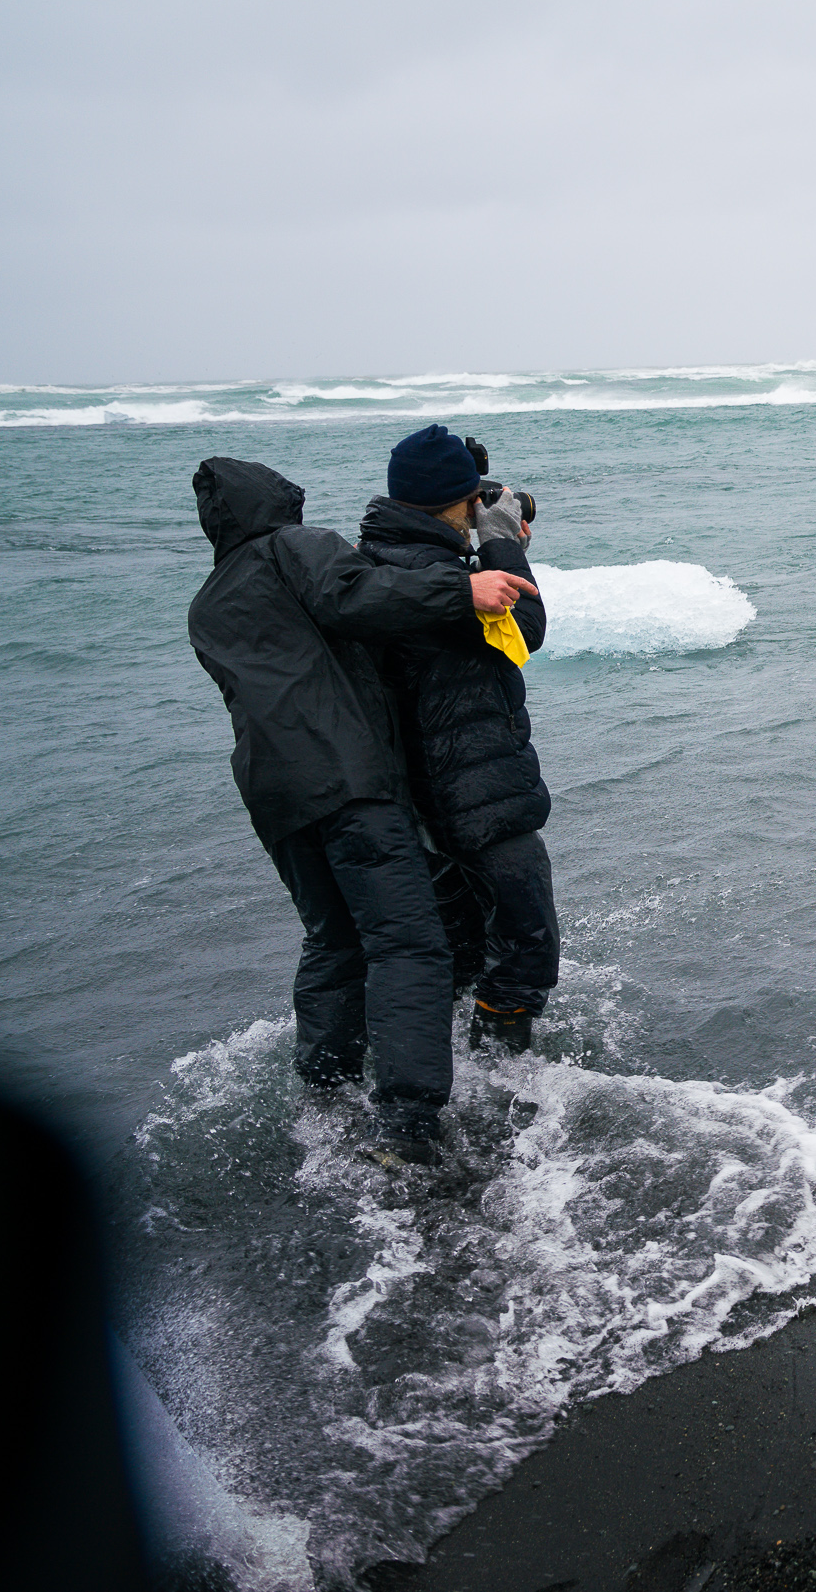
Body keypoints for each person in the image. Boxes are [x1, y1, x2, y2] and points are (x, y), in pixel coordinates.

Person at [187, 456, 536, 1165]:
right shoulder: (297, 546)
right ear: (274, 501)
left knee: (334, 940)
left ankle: (324, 1092)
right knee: (408, 943)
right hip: (349, 779)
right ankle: (406, 1126)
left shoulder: (208, 601)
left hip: (274, 794)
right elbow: (358, 597)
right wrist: (462, 588)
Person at [358, 425, 560, 1054]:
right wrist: (501, 542)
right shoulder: (446, 581)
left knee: (466, 935)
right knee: (527, 937)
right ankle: (504, 1069)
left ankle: (449, 1064)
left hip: (422, 793)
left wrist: (479, 538)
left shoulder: (386, 562)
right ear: (458, 503)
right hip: (474, 787)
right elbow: (525, 630)